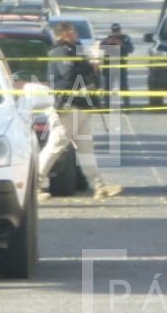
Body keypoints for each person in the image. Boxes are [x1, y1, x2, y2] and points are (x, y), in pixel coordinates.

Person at [37, 22, 124, 200]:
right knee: (56, 146)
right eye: (72, 31)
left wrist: (93, 64)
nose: (76, 33)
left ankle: (99, 186)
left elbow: (86, 73)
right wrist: (89, 66)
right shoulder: (60, 51)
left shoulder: (75, 49)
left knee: (86, 148)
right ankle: (34, 185)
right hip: (68, 107)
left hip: (81, 106)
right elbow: (68, 75)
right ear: (64, 34)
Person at [100, 23, 134, 107]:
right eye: (114, 31)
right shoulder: (108, 39)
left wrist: (121, 44)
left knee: (123, 86)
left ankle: (127, 105)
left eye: (117, 31)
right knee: (108, 87)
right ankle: (107, 105)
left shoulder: (125, 38)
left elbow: (130, 49)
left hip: (121, 66)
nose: (115, 33)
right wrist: (109, 43)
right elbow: (100, 47)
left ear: (120, 30)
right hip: (109, 67)